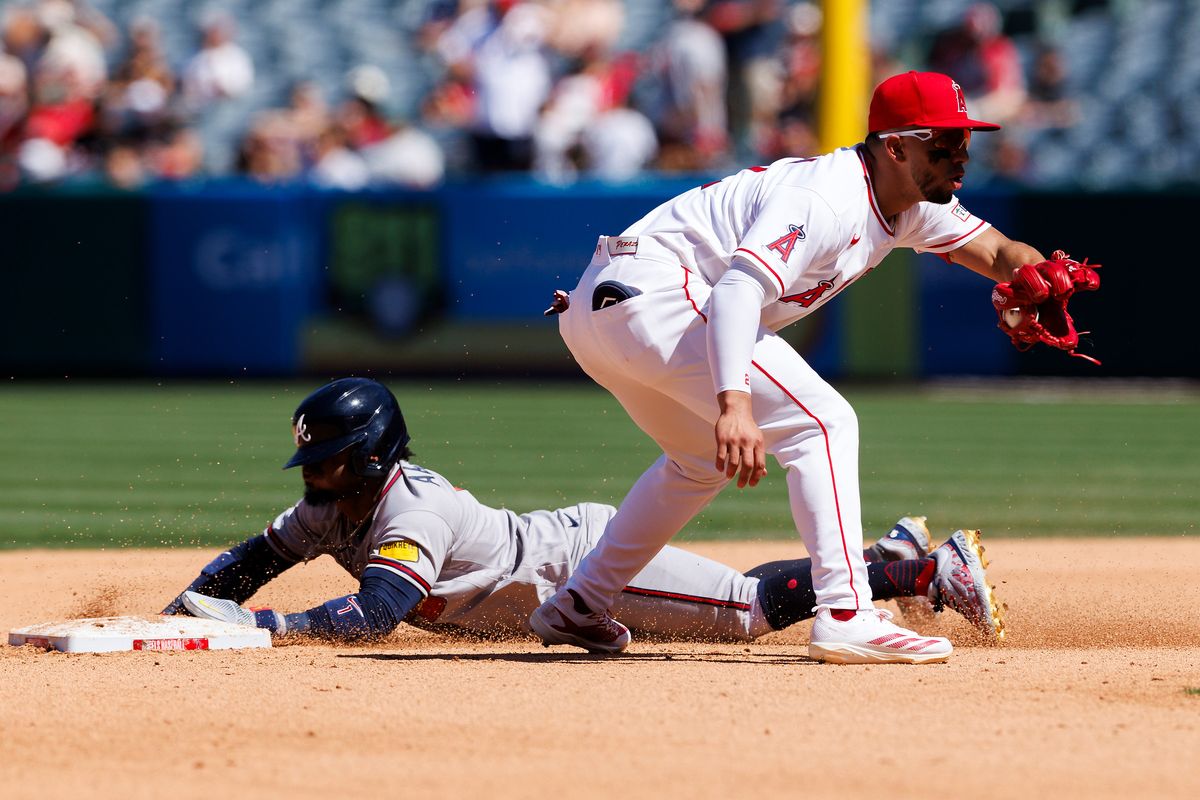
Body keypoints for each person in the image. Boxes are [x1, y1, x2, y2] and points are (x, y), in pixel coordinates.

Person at [529, 70, 1045, 664]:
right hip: (659, 295)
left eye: (964, 141)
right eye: (944, 143)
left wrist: (1037, 276)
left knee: (698, 464)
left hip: (603, 315)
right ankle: (847, 612)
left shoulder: (913, 205)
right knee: (823, 422)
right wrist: (734, 402)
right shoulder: (827, 198)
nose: (960, 155)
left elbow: (1002, 253)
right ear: (897, 146)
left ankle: (581, 602)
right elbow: (735, 292)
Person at [166, 378, 1004, 656]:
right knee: (740, 598)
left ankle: (924, 571)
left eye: (329, 459)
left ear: (372, 453)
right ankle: (887, 551)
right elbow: (253, 558)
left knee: (747, 610)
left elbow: (376, 614)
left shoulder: (407, 508)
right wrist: (181, 611)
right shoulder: (331, 508)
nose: (315, 475)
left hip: (578, 568)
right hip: (550, 569)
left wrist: (257, 627)